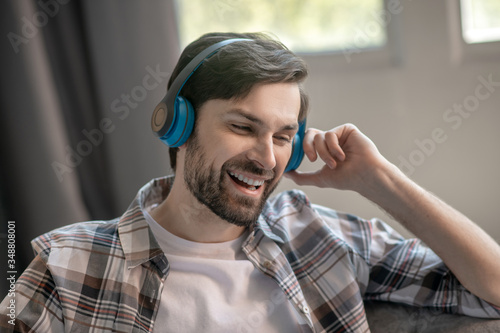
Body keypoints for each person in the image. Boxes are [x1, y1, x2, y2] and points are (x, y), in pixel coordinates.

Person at [1, 32, 500, 333]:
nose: (266, 158)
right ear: (178, 125)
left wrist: (381, 180)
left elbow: (493, 289)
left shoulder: (319, 238)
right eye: (242, 127)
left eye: (284, 136)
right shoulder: (72, 263)